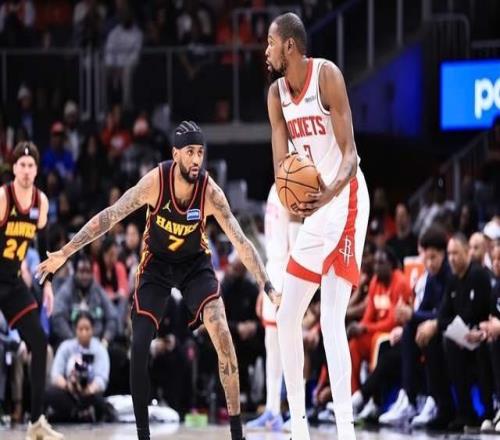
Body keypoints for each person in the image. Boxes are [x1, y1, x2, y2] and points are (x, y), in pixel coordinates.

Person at [37, 121, 280, 440]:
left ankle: (237, 435)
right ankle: (143, 435)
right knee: (139, 346)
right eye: (190, 152)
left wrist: (268, 286)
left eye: (201, 152)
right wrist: (65, 252)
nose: (197, 159)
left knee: (222, 333)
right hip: (157, 264)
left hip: (194, 265)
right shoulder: (156, 181)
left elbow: (241, 242)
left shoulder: (210, 192)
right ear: (175, 154)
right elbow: (111, 216)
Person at [265, 12, 370, 440]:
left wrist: (326, 196)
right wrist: (294, 202)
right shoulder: (276, 95)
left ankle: (346, 430)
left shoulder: (327, 76)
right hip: (315, 208)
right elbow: (282, 172)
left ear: (289, 45)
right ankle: (298, 425)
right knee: (287, 315)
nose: (266, 51)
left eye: (270, 42)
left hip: (346, 199)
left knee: (329, 318)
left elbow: (350, 156)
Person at [0, 141, 63, 439]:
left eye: (31, 166)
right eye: (22, 165)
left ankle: (36, 422)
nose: (26, 170)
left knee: (39, 342)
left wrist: (47, 284)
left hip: (12, 282)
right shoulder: (3, 197)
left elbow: (44, 247)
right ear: (13, 168)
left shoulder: (41, 202)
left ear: (37, 170)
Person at [247, 183, 300, 431]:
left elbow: (296, 245)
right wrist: (264, 286)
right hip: (272, 270)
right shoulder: (272, 188)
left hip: (287, 273)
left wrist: (291, 286)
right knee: (272, 347)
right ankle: (272, 410)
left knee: (290, 346)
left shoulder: (295, 183)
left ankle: (297, 412)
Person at [46, 310, 110, 422]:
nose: (84, 333)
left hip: (90, 392)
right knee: (50, 393)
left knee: (99, 401)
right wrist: (67, 385)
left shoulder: (99, 349)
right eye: (81, 329)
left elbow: (102, 378)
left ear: (92, 329)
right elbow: (55, 374)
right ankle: (76, 413)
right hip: (69, 391)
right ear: (75, 329)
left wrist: (89, 389)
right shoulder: (65, 347)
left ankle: (79, 414)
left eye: (87, 329)